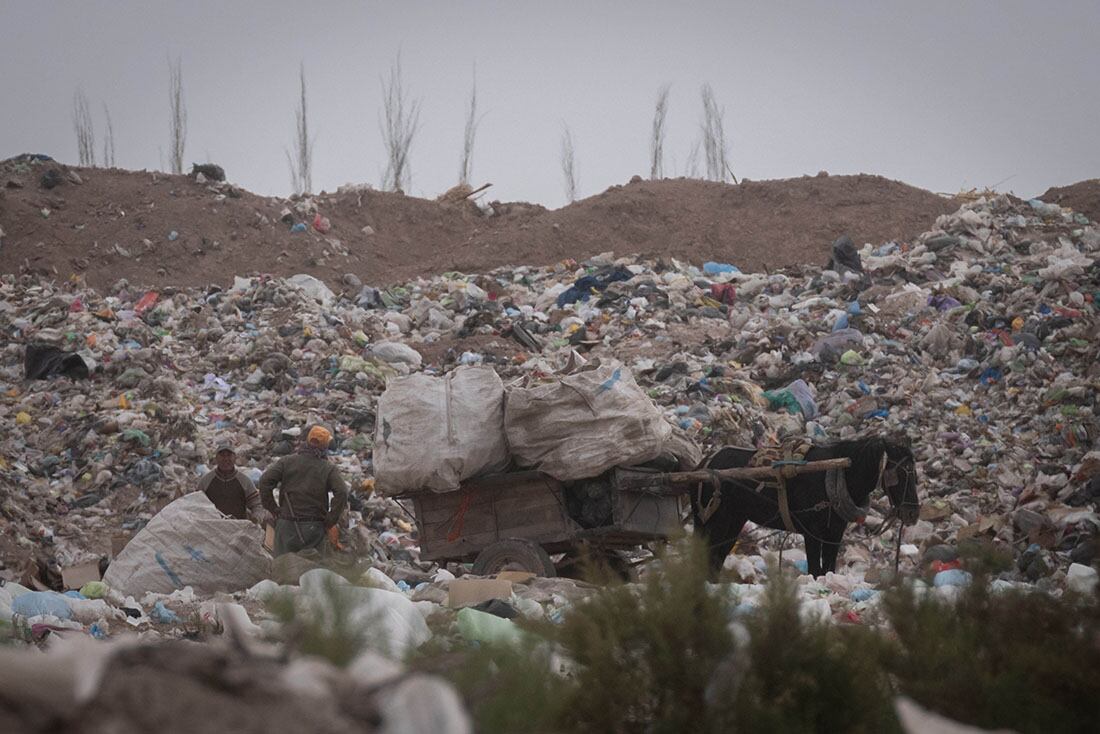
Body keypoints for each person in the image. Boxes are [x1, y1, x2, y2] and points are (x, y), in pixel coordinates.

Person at [257, 425, 348, 556]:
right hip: (313, 529)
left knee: (283, 569)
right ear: (325, 446)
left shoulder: (287, 461)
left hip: (286, 525)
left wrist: (273, 508)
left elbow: (264, 481)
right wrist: (330, 519)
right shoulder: (328, 468)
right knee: (311, 570)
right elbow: (342, 492)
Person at [196, 441, 263, 522]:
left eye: (229, 455)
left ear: (235, 458)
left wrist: (256, 516)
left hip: (238, 527)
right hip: (212, 527)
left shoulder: (244, 480)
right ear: (216, 458)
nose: (226, 459)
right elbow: (196, 503)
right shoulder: (206, 480)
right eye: (222, 455)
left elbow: (256, 504)